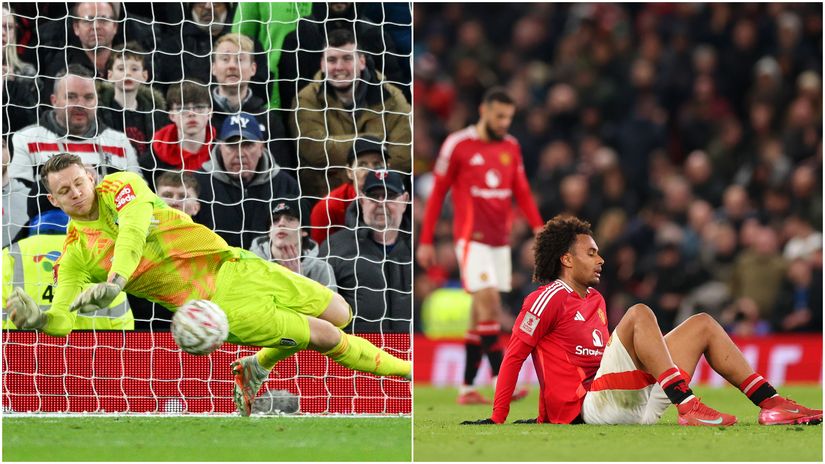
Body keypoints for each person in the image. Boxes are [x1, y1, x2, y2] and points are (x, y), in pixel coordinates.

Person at [5, 153, 411, 418]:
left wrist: (115, 282)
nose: (76, 193)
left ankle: (257, 365)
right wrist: (37, 319)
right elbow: (61, 319)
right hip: (215, 305)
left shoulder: (122, 186)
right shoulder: (75, 253)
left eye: (78, 182)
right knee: (323, 335)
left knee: (341, 312)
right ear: (53, 201)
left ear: (91, 176)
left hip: (235, 262)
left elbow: (131, 232)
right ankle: (413, 373)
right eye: (64, 191)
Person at [462, 215, 821, 426]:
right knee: (639, 313)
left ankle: (771, 404)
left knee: (703, 324)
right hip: (586, 409)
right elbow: (513, 355)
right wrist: (497, 417)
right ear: (567, 261)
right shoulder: (547, 298)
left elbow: (604, 360)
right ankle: (687, 406)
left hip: (627, 406)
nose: (600, 259)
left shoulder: (597, 300)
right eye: (591, 253)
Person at [417, 87, 544, 405]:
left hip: (499, 242)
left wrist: (539, 227)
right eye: (499, 116)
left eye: (509, 117)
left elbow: (523, 191)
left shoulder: (510, 147)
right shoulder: (458, 144)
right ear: (484, 111)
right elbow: (436, 195)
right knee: (488, 301)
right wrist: (426, 240)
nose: (504, 122)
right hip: (470, 240)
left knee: (479, 314)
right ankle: (503, 379)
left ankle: (467, 388)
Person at [290, 28, 411, 199]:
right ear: (323, 65)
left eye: (347, 59)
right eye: (332, 60)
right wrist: (375, 143)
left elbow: (403, 157)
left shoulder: (393, 97)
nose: (339, 67)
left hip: (381, 198)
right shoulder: (306, 99)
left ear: (361, 61)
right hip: (325, 200)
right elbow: (315, 152)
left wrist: (358, 175)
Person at [9, 64, 141, 220]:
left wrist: (100, 185)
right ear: (54, 100)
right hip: (51, 233)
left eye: (88, 97)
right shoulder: (25, 139)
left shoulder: (119, 142)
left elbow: (138, 196)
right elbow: (17, 199)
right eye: (71, 97)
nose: (80, 104)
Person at [2, 209, 133, 330]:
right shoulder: (100, 252)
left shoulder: (10, 254)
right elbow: (123, 323)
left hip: (26, 352)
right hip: (93, 352)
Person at [320, 170, 411, 333]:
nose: (381, 203)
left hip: (414, 351)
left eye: (389, 196)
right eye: (374, 196)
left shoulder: (417, 248)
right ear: (362, 201)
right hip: (356, 354)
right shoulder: (336, 247)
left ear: (405, 200)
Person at [196, 112, 299, 249]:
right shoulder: (199, 183)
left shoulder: (285, 185)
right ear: (220, 147)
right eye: (232, 145)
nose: (239, 154)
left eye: (248, 145)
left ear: (261, 147)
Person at [209, 33, 293, 171]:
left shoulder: (269, 121)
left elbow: (281, 174)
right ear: (213, 68)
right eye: (225, 59)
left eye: (240, 60)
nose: (232, 66)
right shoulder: (201, 116)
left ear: (253, 68)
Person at [309, 136, 388, 245]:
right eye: (362, 165)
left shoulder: (400, 202)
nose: (370, 171)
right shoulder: (327, 208)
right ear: (349, 172)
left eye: (377, 164)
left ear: (388, 168)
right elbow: (320, 257)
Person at [97, 42, 168, 158]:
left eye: (134, 69)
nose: (128, 73)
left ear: (144, 76)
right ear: (110, 75)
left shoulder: (156, 114)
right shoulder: (99, 111)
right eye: (121, 69)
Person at [250, 198, 336, 291]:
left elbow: (332, 306)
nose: (281, 223)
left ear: (304, 230)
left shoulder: (321, 270)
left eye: (290, 219)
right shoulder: (249, 264)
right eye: (275, 220)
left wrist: (300, 283)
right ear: (269, 231)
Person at [143, 80, 215, 187]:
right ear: (171, 115)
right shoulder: (153, 157)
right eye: (183, 108)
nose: (191, 113)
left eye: (199, 107)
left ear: (210, 113)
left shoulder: (221, 150)